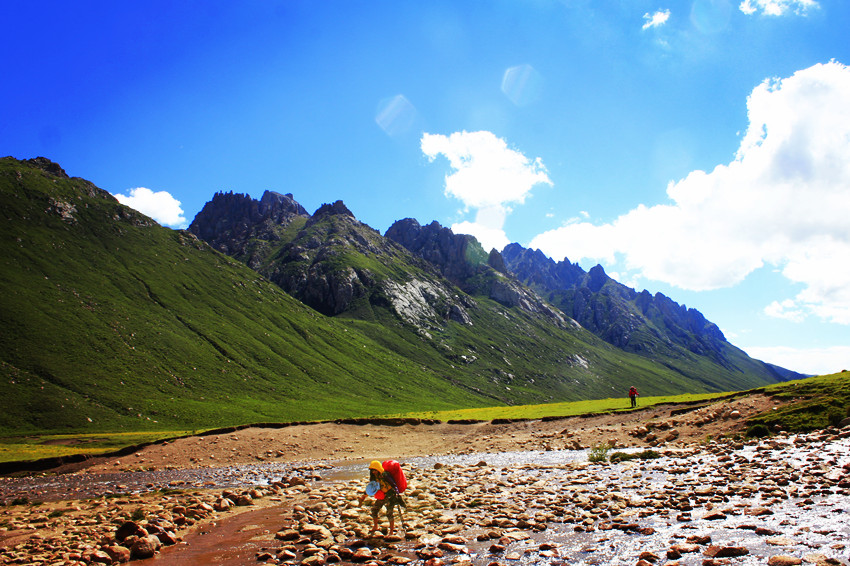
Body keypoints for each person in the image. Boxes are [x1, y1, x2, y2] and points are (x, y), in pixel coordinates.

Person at [357, 460, 402, 535]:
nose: (373, 472)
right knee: (374, 509)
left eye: (374, 470)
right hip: (382, 496)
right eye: (372, 471)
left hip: (390, 495)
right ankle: (375, 526)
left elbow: (393, 484)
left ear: (378, 469)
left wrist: (397, 493)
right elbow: (371, 488)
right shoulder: (374, 477)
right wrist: (364, 496)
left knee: (389, 513)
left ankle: (391, 532)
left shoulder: (385, 475)